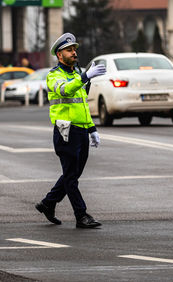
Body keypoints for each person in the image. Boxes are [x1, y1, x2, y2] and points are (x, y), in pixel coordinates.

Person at [35, 33, 106, 228]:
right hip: (65, 131)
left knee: (73, 174)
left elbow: (82, 105)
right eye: (69, 50)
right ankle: (81, 216)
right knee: (70, 175)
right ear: (59, 55)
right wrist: (85, 77)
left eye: (75, 49)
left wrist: (92, 129)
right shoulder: (54, 75)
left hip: (81, 130)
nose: (74, 52)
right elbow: (65, 90)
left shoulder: (77, 74)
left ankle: (48, 203)